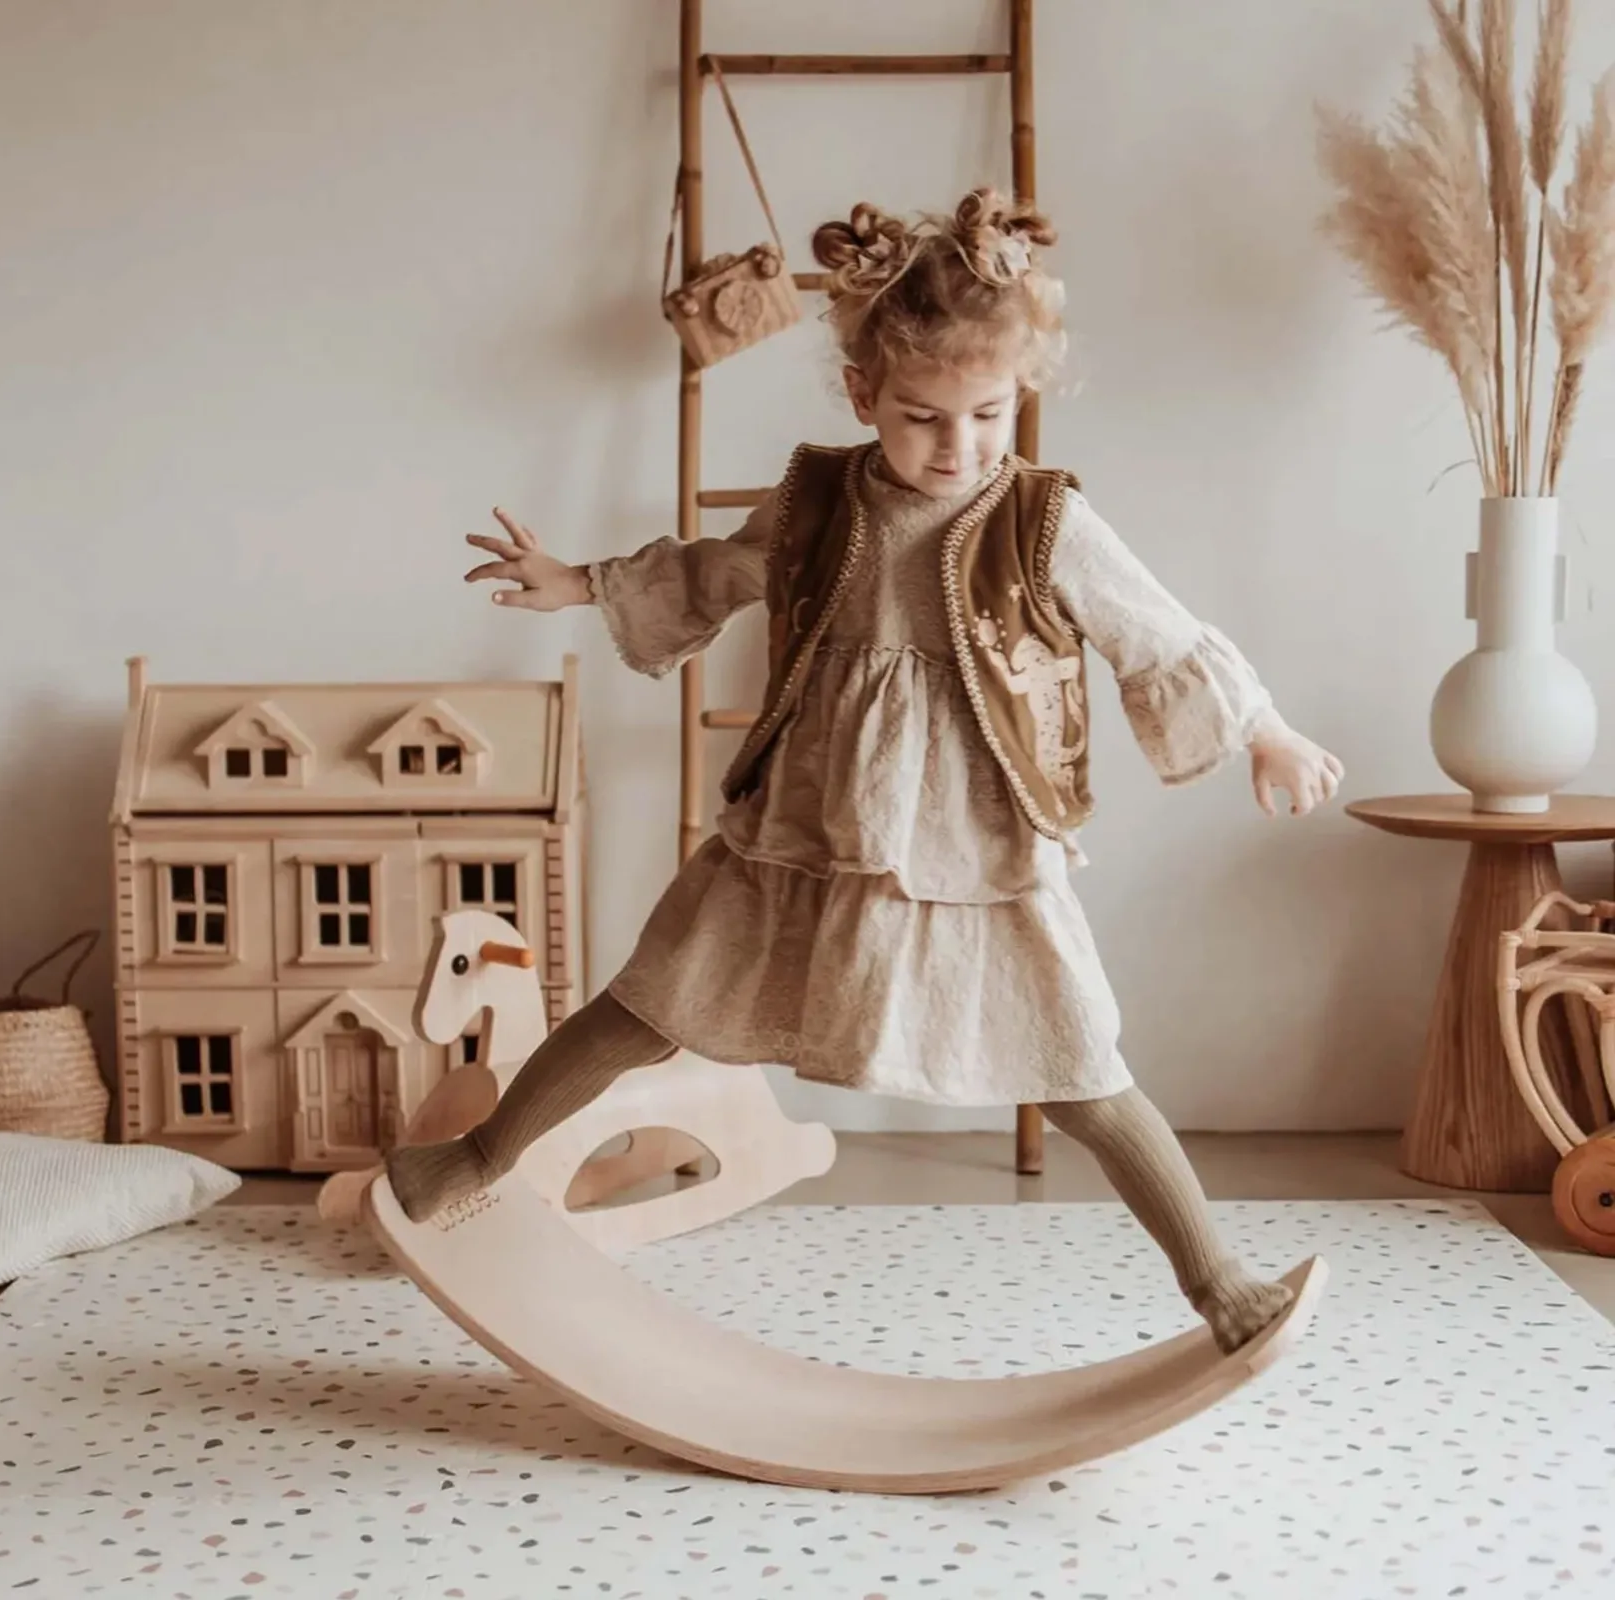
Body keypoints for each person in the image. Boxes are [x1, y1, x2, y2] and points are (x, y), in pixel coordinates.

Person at [387, 188, 1343, 1354]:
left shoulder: (1041, 522)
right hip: (803, 826)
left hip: (974, 842)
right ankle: (473, 1158)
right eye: (920, 417)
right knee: (647, 1004)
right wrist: (580, 581)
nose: (957, 446)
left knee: (1084, 1071)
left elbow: (1157, 631)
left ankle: (1218, 1282)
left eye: (986, 414)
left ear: (1019, 393)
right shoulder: (818, 506)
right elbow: (715, 572)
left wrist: (1264, 730)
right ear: (861, 396)